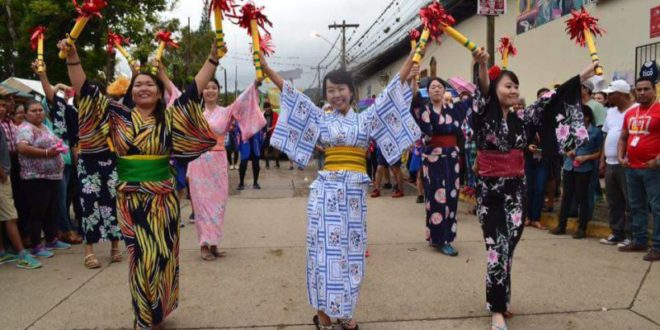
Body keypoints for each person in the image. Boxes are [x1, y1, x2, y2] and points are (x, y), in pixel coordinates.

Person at [60, 36, 217, 328]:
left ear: (159, 93)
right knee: (139, 257)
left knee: (162, 255)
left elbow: (194, 89)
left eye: (149, 84)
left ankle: (158, 309)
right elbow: (85, 92)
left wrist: (213, 57)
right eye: (138, 84)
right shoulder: (116, 117)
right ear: (131, 92)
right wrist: (72, 56)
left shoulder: (170, 118)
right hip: (130, 198)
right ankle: (143, 317)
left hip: (163, 198)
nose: (143, 88)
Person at [262, 48, 420, 329]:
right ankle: (323, 314)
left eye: (341, 89)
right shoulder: (321, 118)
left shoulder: (367, 118)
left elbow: (393, 87)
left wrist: (416, 53)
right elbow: (291, 95)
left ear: (352, 91)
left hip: (354, 198)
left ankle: (344, 311)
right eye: (330, 90)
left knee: (351, 254)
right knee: (323, 254)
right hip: (325, 195)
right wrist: (265, 68)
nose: (336, 95)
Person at [473, 48, 596, 329]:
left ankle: (499, 297)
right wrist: (481, 65)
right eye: (508, 85)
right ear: (494, 88)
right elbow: (480, 91)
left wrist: (583, 75)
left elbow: (552, 99)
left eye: (516, 85)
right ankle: (497, 310)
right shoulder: (482, 114)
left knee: (510, 245)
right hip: (490, 191)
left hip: (516, 190)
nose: (514, 90)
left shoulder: (524, 118)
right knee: (496, 247)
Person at [187, 78, 264, 260]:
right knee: (201, 204)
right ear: (201, 91)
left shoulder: (227, 111)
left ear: (218, 91)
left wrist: (254, 83)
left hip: (218, 161)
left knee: (218, 204)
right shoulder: (194, 113)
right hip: (199, 161)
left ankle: (214, 243)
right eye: (206, 88)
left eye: (214, 87)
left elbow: (243, 101)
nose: (210, 91)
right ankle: (203, 245)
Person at [410, 77, 472, 256]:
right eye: (432, 87)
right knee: (435, 197)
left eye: (439, 87)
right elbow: (414, 99)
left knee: (451, 197)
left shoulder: (454, 109)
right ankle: (438, 238)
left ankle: (444, 237)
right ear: (427, 91)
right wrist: (414, 79)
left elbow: (473, 102)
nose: (436, 89)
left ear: (445, 90)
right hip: (433, 158)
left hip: (451, 157)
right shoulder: (425, 109)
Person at [33, 61, 83, 245]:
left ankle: (62, 229)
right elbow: (50, 93)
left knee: (69, 195)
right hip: (59, 157)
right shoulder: (59, 107)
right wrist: (44, 76)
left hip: (72, 158)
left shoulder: (77, 107)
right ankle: (66, 230)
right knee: (61, 197)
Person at [16, 100, 72, 258]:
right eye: (33, 111)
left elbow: (54, 142)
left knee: (51, 210)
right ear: (26, 114)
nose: (38, 112)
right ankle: (36, 245)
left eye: (40, 110)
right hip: (35, 177)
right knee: (37, 212)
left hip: (52, 176)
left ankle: (51, 239)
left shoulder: (45, 127)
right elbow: (22, 147)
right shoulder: (25, 129)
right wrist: (47, 153)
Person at [617, 77, 660, 262]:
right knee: (636, 207)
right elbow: (623, 137)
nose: (642, 92)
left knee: (657, 208)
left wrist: (658, 160)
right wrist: (621, 156)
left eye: (646, 89)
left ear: (654, 90)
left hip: (653, 169)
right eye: (639, 89)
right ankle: (639, 240)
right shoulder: (630, 113)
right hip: (632, 168)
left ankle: (658, 246)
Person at [549, 105, 603, 238]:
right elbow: (562, 147)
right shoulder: (570, 130)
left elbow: (599, 153)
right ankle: (562, 226)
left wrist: (586, 157)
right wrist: (569, 151)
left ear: (587, 117)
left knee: (582, 197)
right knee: (566, 197)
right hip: (569, 166)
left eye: (580, 116)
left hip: (584, 168)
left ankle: (582, 228)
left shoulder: (595, 132)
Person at [0, 97, 41, 269]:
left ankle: (2, 252)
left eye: (3, 105)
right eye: (0, 105)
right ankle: (22, 254)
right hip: (3, 174)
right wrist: (2, 172)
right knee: (10, 216)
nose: (3, 108)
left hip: (6, 171)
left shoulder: (5, 123)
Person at [599, 80, 636, 246]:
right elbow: (606, 136)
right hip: (610, 162)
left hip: (627, 164)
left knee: (630, 201)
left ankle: (631, 235)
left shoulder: (635, 110)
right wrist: (602, 161)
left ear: (621, 94)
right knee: (613, 201)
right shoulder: (611, 112)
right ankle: (616, 232)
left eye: (611, 93)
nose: (608, 96)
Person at [237, 124, 263, 190]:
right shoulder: (242, 117)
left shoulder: (256, 116)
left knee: (256, 163)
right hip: (245, 142)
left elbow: (261, 128)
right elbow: (238, 130)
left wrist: (260, 142)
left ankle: (255, 182)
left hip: (255, 141)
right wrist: (238, 145)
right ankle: (241, 183)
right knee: (243, 163)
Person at [262, 101, 280, 169]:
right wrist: (265, 129)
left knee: (276, 148)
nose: (267, 108)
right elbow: (261, 124)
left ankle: (277, 164)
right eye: (266, 107)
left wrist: (272, 128)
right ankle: (267, 164)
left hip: (274, 133)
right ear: (264, 108)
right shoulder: (263, 115)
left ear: (270, 107)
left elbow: (278, 123)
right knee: (266, 148)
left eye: (268, 107)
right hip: (266, 133)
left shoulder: (275, 114)